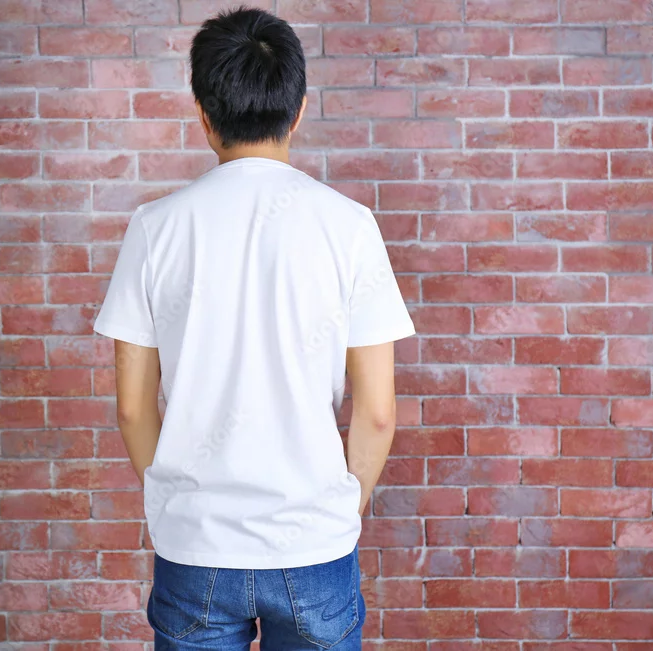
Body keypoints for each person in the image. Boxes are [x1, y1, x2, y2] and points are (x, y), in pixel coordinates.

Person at [93, 6, 415, 650]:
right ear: (298, 111)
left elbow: (132, 409)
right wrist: (336, 513)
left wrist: (179, 507)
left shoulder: (155, 228)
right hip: (314, 544)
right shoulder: (350, 227)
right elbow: (377, 414)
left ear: (203, 114)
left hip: (196, 546)